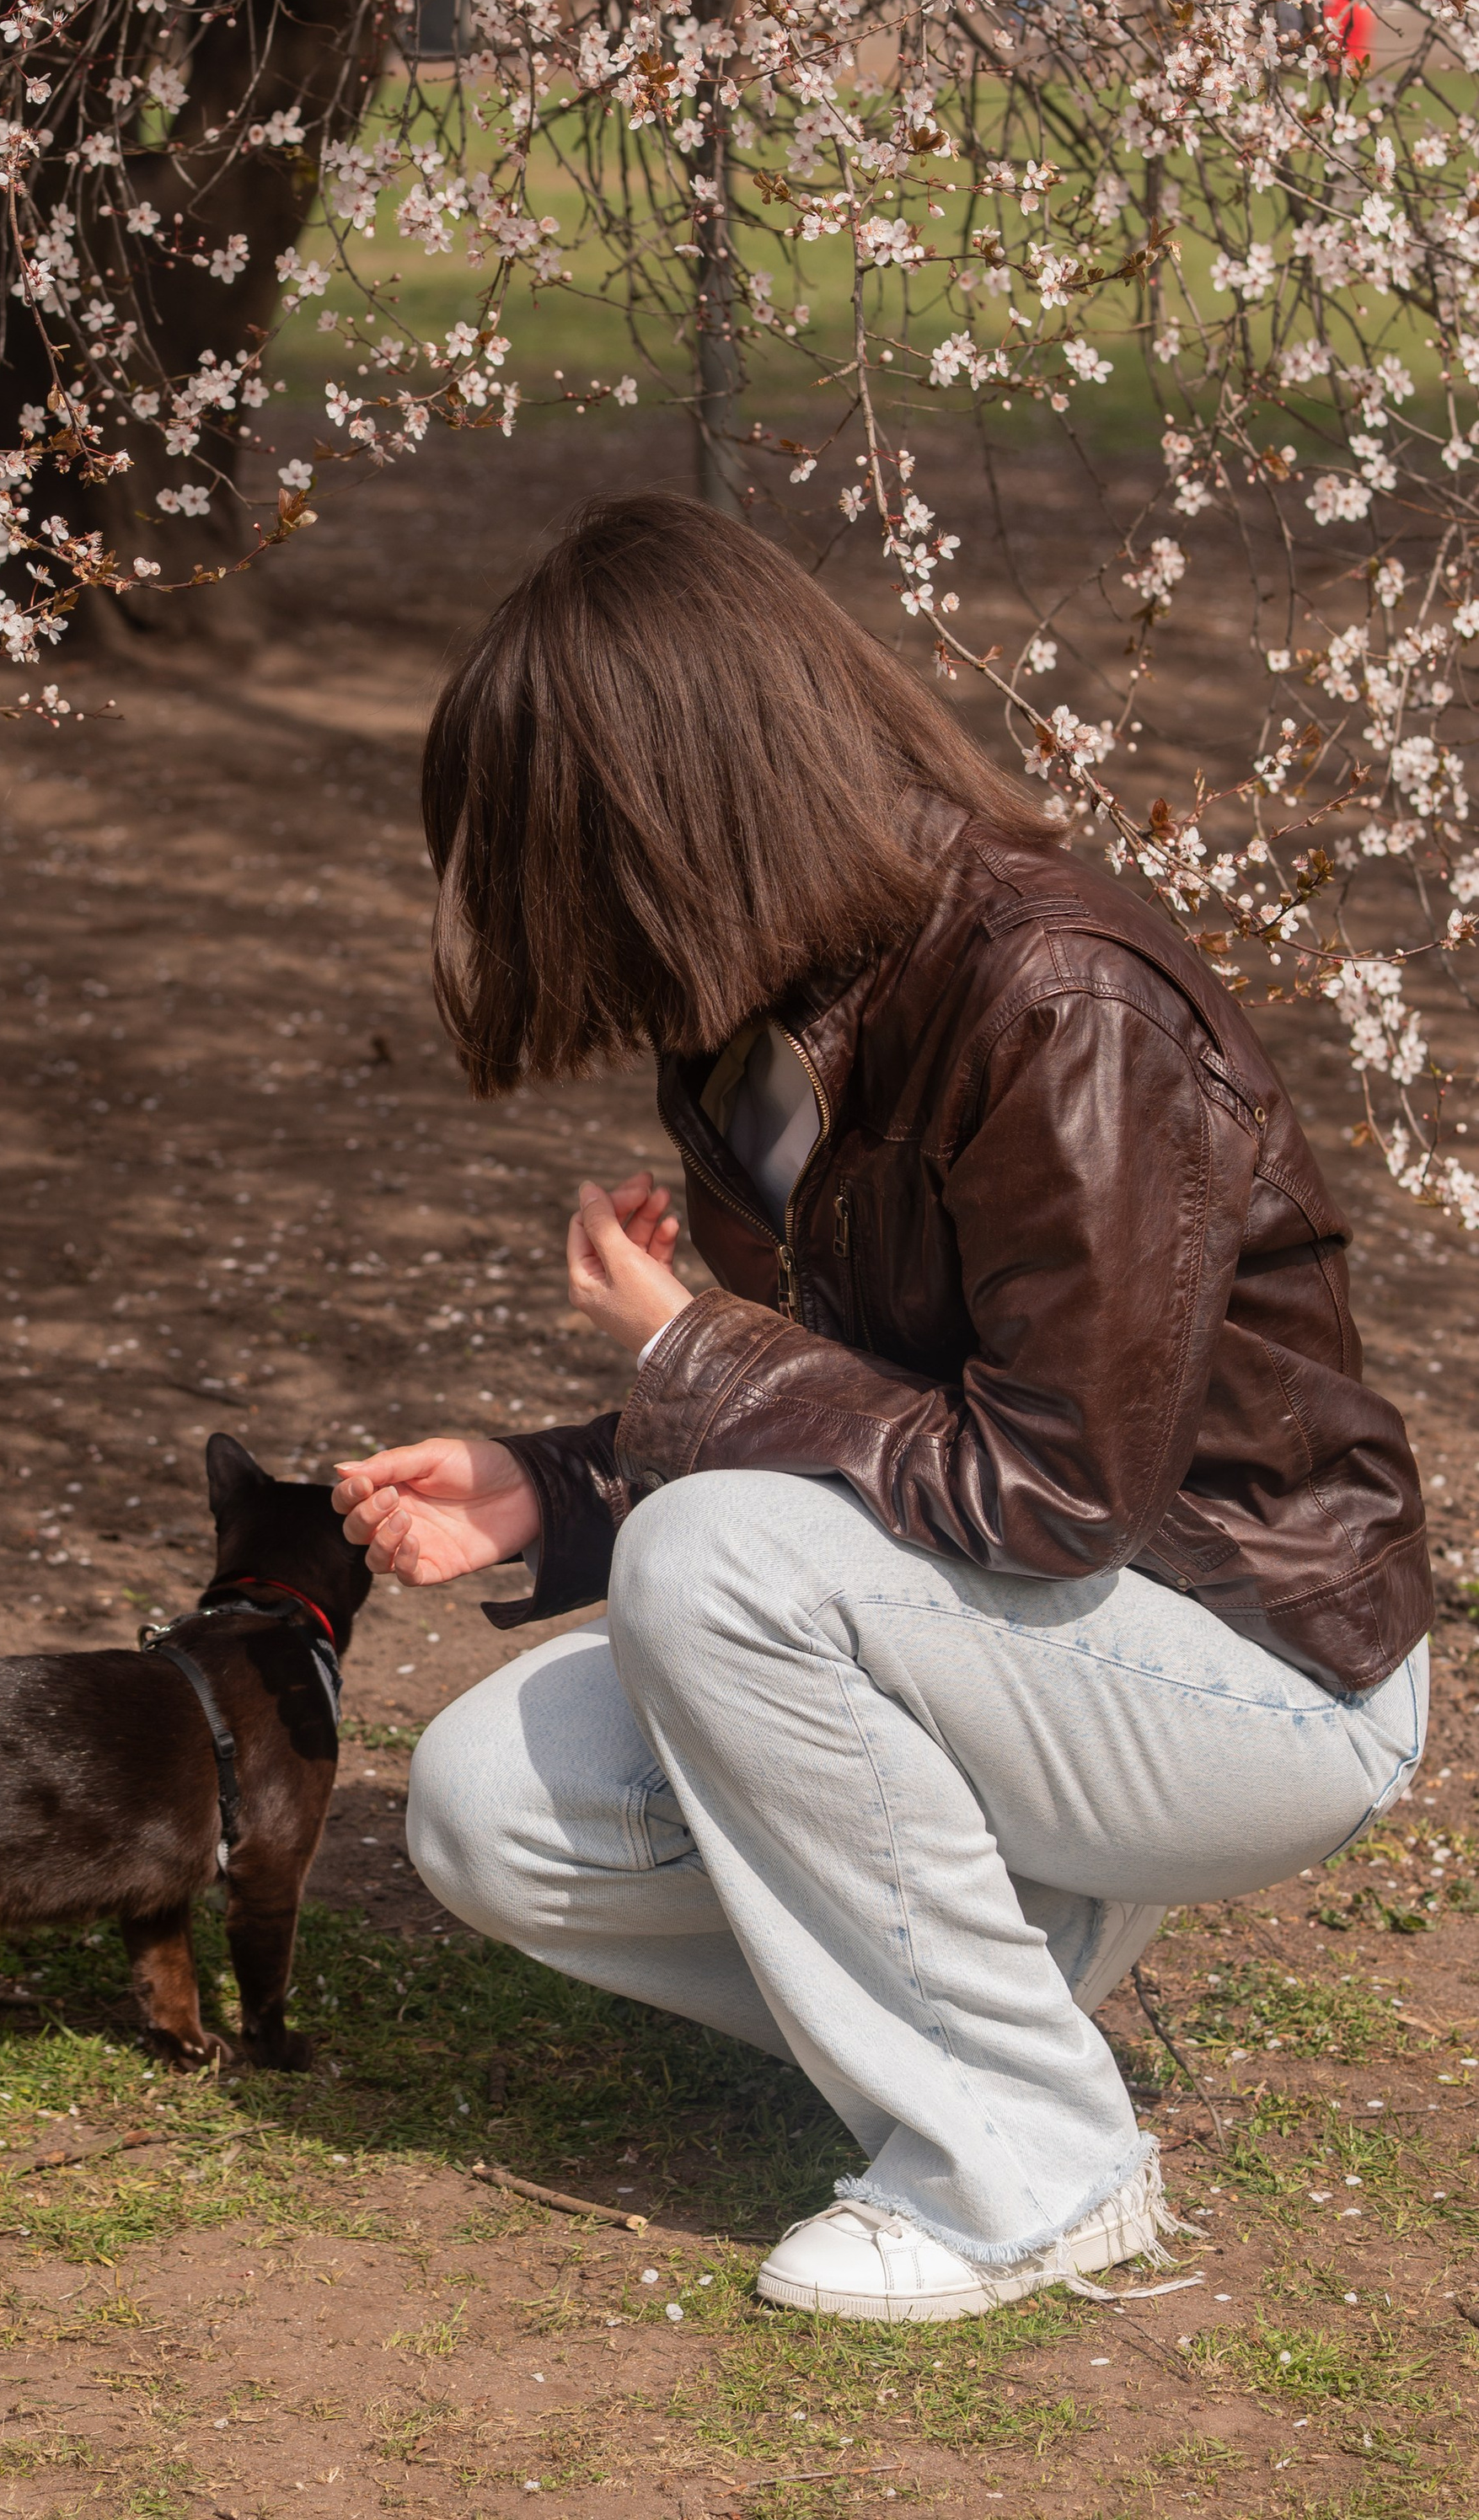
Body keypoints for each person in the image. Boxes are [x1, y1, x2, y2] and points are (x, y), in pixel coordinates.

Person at [332, 493, 1428, 2324]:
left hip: (1252, 1666)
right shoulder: (757, 1016)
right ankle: (996, 1971)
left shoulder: (1056, 999)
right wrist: (557, 1485)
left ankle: (1033, 2163)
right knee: (483, 1812)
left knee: (709, 1563)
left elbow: (1046, 1491)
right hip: (1020, 1635)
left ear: (662, 814)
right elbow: (865, 1417)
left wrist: (679, 1357)